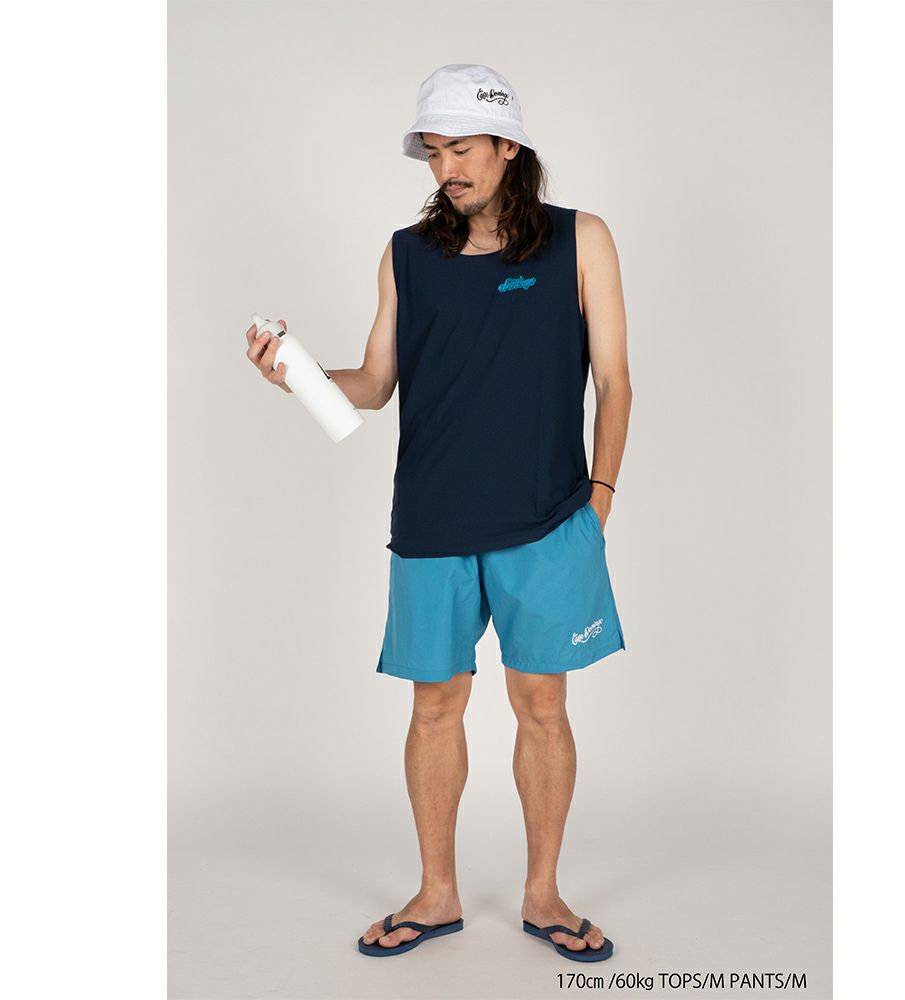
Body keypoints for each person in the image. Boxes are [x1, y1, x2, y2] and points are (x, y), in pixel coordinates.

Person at [244, 64, 631, 962]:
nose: (444, 167)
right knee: (434, 708)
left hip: (550, 519)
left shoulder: (582, 240)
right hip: (432, 518)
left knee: (542, 704)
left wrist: (599, 507)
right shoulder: (406, 254)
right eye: (432, 151)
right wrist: (298, 375)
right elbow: (376, 383)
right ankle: (437, 893)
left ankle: (543, 895)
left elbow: (615, 383)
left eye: (461, 148)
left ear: (508, 146)